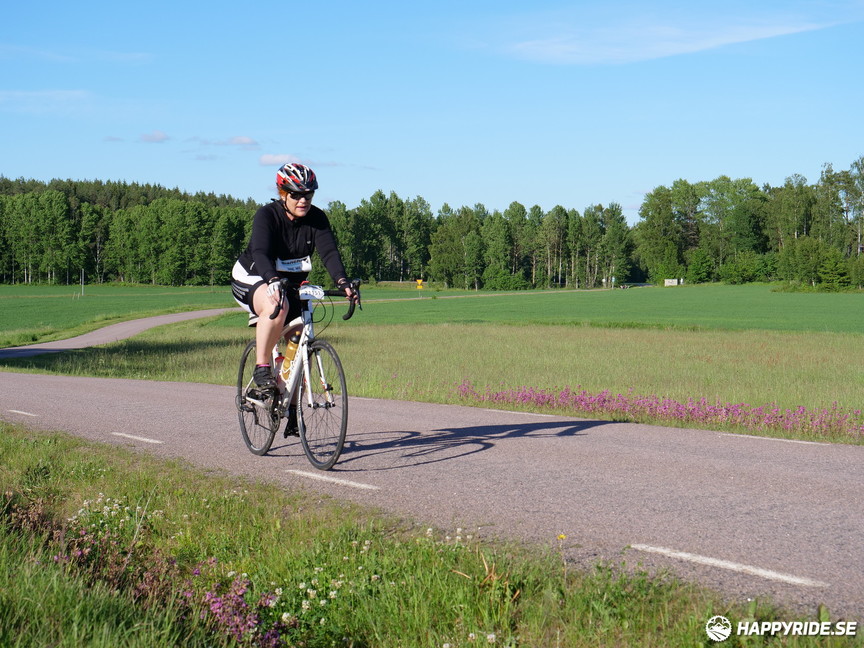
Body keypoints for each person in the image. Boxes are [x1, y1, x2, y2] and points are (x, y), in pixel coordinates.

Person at [231, 163, 357, 393]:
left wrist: (343, 282)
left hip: (289, 283)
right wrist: (271, 280)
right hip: (254, 275)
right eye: (296, 195)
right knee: (277, 305)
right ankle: (261, 367)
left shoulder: (317, 218)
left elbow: (329, 253)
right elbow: (260, 253)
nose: (303, 200)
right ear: (282, 194)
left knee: (299, 344)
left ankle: (289, 413)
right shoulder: (267, 216)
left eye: (308, 194)